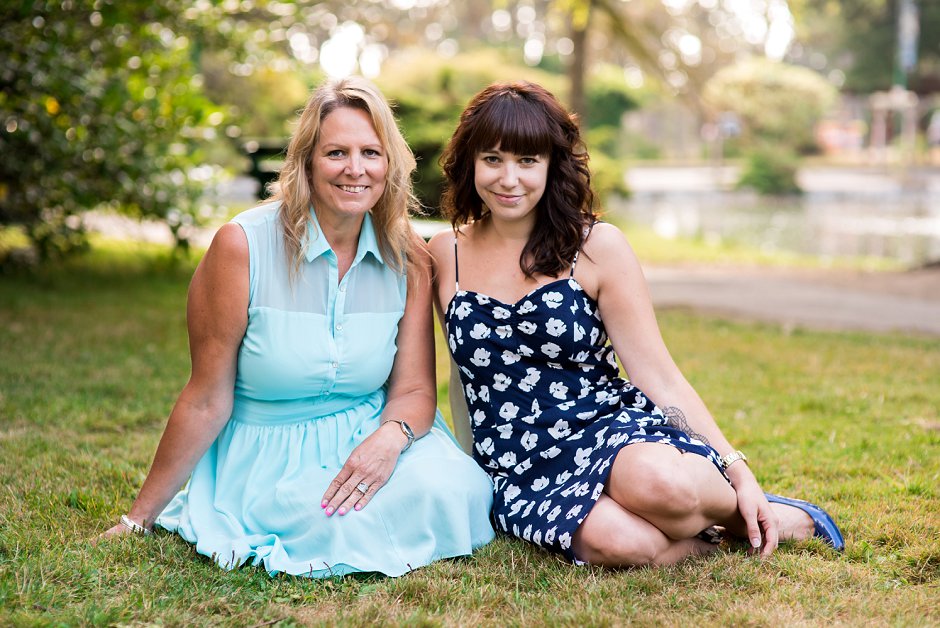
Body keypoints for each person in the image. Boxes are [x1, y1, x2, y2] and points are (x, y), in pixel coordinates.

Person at [428, 81, 843, 567]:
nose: (509, 178)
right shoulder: (443, 253)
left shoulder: (596, 247)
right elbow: (461, 378)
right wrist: (470, 465)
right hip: (517, 463)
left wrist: (737, 470)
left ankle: (757, 511)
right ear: (469, 163)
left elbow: (658, 374)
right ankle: (727, 539)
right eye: (493, 159)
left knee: (662, 486)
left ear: (551, 165)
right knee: (623, 545)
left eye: (527, 160)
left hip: (606, 429)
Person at [99, 77, 495, 577]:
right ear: (306, 161)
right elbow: (205, 397)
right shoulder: (241, 246)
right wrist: (139, 518)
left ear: (390, 163)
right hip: (270, 449)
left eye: (371, 152)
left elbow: (415, 388)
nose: (356, 169)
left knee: (458, 488)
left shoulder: (409, 256)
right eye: (337, 153)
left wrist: (389, 440)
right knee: (333, 521)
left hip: (368, 429)